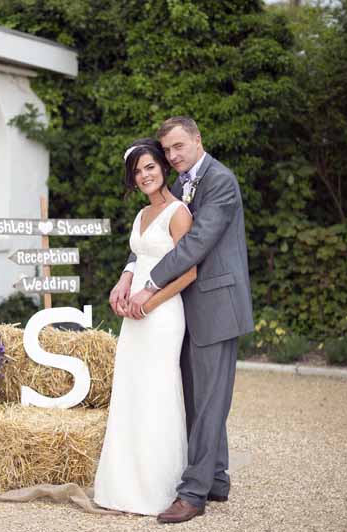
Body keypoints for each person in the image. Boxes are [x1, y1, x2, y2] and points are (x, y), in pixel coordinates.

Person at [109, 117, 254, 524]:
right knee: (196, 397)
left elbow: (196, 243)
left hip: (216, 304)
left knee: (209, 403)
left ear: (197, 140)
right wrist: (129, 274)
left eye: (178, 147)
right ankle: (217, 479)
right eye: (167, 150)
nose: (172, 156)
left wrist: (149, 286)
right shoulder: (180, 186)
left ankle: (192, 494)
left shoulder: (220, 181)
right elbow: (152, 241)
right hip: (182, 307)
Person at [93, 138, 197, 516]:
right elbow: (138, 256)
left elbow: (188, 271)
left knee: (157, 392)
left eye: (150, 167)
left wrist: (148, 303)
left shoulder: (178, 212)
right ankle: (122, 486)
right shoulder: (141, 215)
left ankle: (158, 488)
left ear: (163, 168)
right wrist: (123, 281)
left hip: (163, 314)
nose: (144, 175)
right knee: (130, 390)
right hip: (134, 315)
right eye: (137, 171)